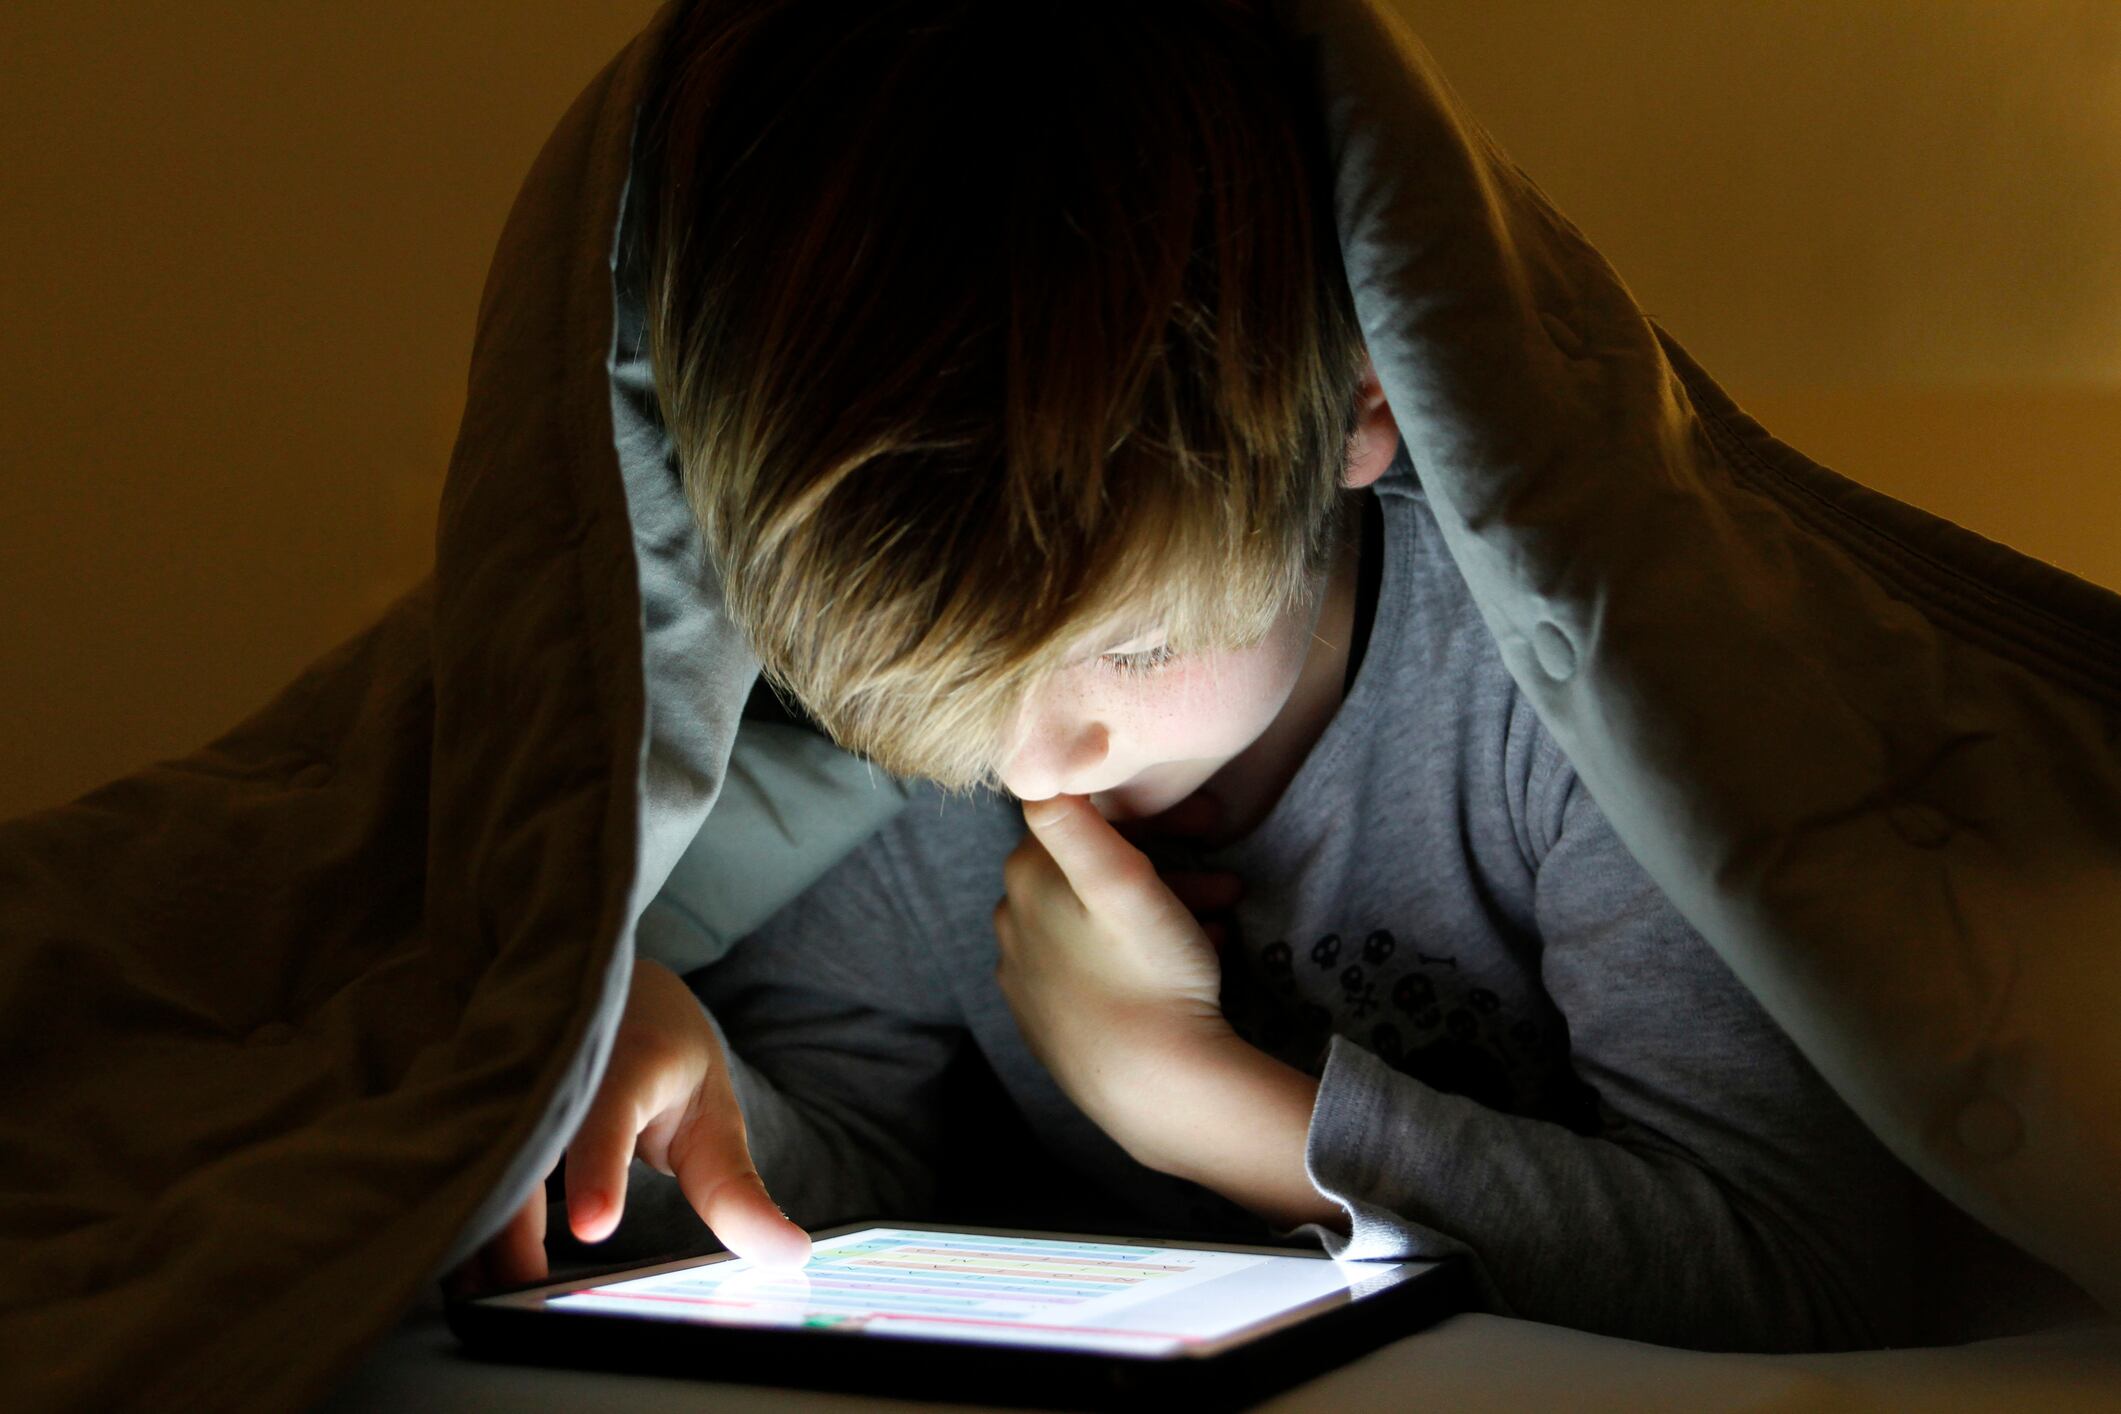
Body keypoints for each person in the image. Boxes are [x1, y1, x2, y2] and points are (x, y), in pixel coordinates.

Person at [464, 0, 1930, 1350]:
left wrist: (1188, 1094)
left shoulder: (1552, 694)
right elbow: (848, 1192)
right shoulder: (909, 739)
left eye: (1134, 647)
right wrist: (682, 1094)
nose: (1031, 765)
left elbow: (1798, 1258)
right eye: (935, 706)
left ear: (1359, 400)